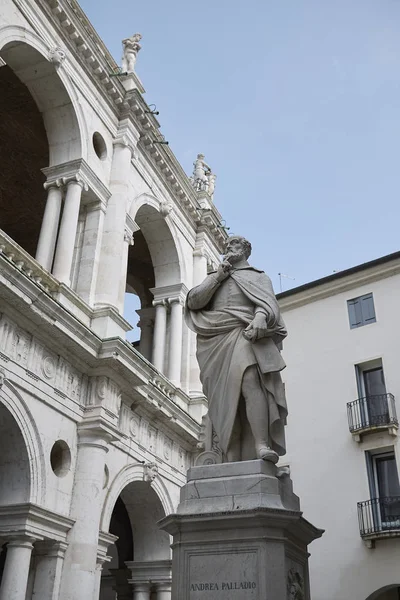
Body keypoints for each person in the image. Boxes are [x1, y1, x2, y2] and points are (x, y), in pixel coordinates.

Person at [185, 235, 288, 462]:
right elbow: (194, 301)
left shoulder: (259, 277)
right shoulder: (215, 277)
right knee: (223, 397)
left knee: (250, 379)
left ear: (246, 250)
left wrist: (260, 317)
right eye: (228, 245)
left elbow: (269, 306)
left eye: (236, 244)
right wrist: (219, 276)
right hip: (215, 341)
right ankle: (229, 453)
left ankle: (261, 444)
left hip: (244, 333)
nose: (230, 247)